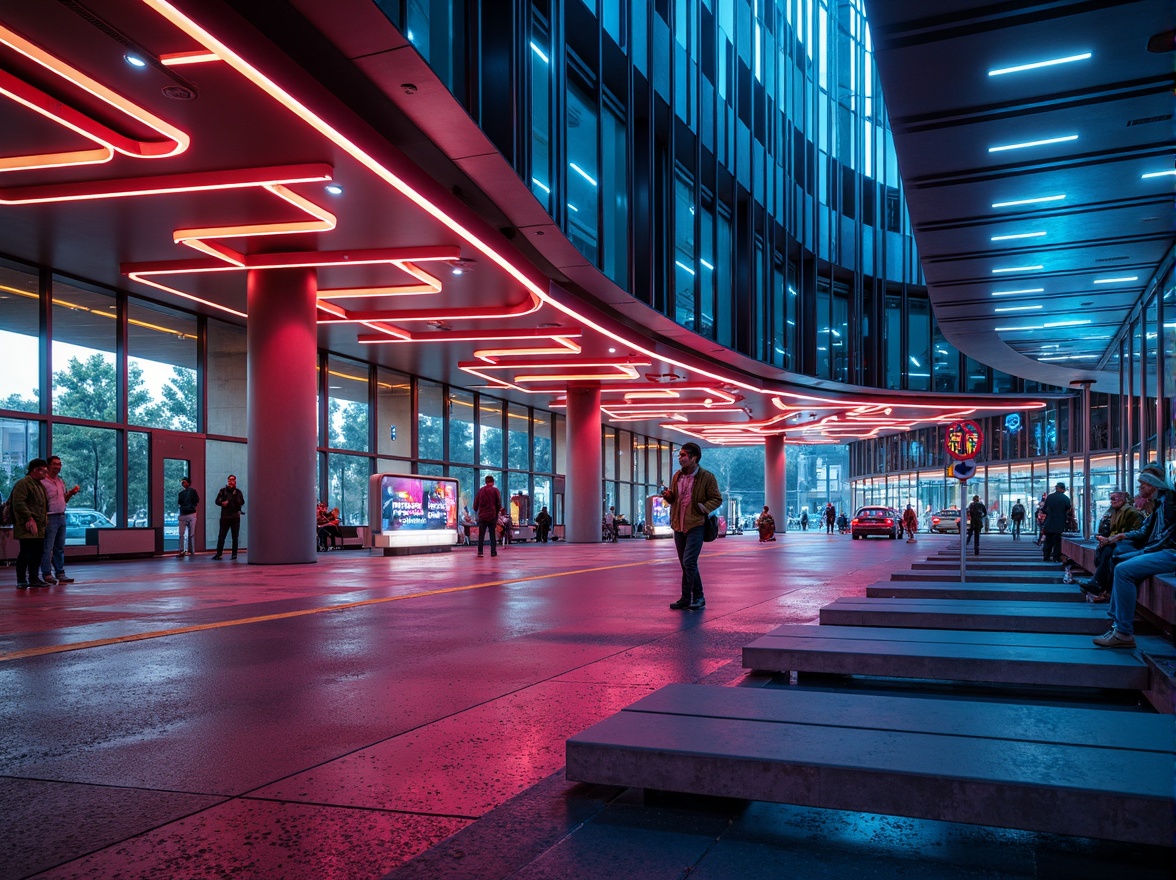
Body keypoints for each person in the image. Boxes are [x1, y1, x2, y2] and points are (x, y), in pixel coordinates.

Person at [1093, 465, 1176, 649]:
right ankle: (1116, 622)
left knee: (1123, 569)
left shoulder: (1168, 503)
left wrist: (1144, 551)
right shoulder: (1159, 503)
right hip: (1160, 550)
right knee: (1118, 559)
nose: (1139, 490)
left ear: (1154, 485)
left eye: (1142, 485)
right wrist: (1119, 537)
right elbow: (1147, 530)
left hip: (1169, 553)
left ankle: (1123, 632)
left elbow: (1165, 538)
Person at [662, 442, 722, 611]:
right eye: (680, 455)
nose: (680, 459)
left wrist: (704, 507)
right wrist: (669, 496)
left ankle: (697, 597)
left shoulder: (707, 477)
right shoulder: (677, 476)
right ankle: (687, 598)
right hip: (678, 525)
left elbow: (716, 498)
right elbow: (675, 499)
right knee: (685, 563)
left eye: (683, 455)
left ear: (694, 457)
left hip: (696, 524)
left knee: (689, 561)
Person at [1077, 489, 1143, 601]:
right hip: (1117, 541)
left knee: (1109, 551)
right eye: (1111, 498)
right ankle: (1099, 585)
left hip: (1128, 543)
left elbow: (1136, 534)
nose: (1111, 501)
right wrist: (1104, 538)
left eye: (1114, 498)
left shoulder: (1130, 512)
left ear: (1122, 499)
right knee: (1105, 551)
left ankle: (1098, 585)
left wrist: (1112, 539)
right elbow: (1107, 528)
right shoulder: (1114, 510)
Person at [40, 455, 80, 584]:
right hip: (49, 516)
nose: (58, 467)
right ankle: (46, 573)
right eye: (55, 464)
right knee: (48, 547)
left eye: (59, 464)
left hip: (62, 515)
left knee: (59, 547)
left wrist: (70, 494)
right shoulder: (42, 482)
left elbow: (64, 499)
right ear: (48, 466)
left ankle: (60, 572)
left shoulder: (60, 481)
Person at [13, 459, 50, 588]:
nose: (46, 473)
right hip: (26, 526)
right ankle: (21, 579)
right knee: (26, 552)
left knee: (37, 553)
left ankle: (34, 578)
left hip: (39, 527)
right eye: (44, 470)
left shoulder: (39, 485)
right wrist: (29, 518)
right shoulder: (23, 484)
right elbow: (18, 503)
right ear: (35, 470)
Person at [211, 474, 245, 560]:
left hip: (235, 517)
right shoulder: (222, 491)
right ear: (227, 481)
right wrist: (222, 503)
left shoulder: (238, 492)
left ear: (235, 481)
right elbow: (217, 501)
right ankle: (219, 554)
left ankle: (234, 554)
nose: (231, 481)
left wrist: (234, 497)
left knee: (235, 537)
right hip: (225, 517)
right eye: (229, 480)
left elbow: (242, 502)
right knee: (221, 536)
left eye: (233, 480)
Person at [1040, 482, 1071, 564]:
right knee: (1057, 541)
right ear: (1062, 489)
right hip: (1060, 523)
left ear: (1057, 488)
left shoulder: (1050, 497)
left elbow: (1044, 509)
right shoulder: (1065, 498)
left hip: (1049, 522)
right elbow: (1068, 508)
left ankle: (1046, 556)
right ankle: (1056, 557)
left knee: (1048, 540)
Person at [473, 475, 501, 558]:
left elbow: (476, 503)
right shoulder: (495, 491)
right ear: (492, 482)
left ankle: (480, 551)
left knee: (481, 535)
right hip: (492, 516)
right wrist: (498, 511)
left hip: (482, 516)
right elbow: (498, 503)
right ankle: (493, 551)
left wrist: (476, 509)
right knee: (492, 535)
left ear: (485, 482)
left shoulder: (480, 491)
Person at [177, 477, 200, 557]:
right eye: (183, 482)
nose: (183, 484)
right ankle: (191, 550)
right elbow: (197, 500)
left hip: (184, 514)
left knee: (182, 533)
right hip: (191, 513)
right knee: (191, 533)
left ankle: (182, 550)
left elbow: (180, 502)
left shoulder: (181, 493)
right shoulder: (192, 491)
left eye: (184, 482)